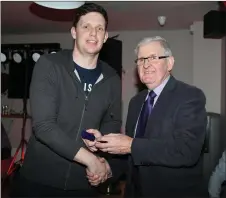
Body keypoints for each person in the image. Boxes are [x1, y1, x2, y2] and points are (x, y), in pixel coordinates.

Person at [10, 3, 122, 197]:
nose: (93, 33)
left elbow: (112, 122)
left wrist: (100, 141)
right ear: (73, 32)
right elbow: (44, 126)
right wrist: (91, 160)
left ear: (105, 37)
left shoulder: (112, 78)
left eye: (99, 28)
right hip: (39, 182)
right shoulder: (49, 65)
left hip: (85, 185)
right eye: (86, 26)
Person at [86, 36, 208, 197]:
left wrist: (130, 145)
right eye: (141, 59)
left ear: (170, 63)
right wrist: (107, 168)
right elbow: (131, 155)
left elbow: (187, 151)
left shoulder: (190, 96)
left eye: (153, 58)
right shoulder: (136, 102)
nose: (146, 64)